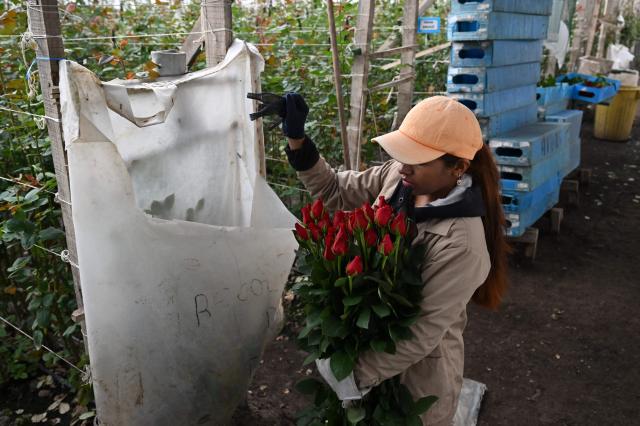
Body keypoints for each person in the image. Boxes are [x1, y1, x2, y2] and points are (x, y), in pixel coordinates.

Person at [280, 93, 509, 426]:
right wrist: (297, 140)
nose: (403, 166)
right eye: (402, 154)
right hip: (366, 351)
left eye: (417, 159)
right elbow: (335, 191)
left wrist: (351, 375)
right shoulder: (399, 181)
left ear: (458, 167)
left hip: (415, 384)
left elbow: (420, 331)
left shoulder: (462, 245)